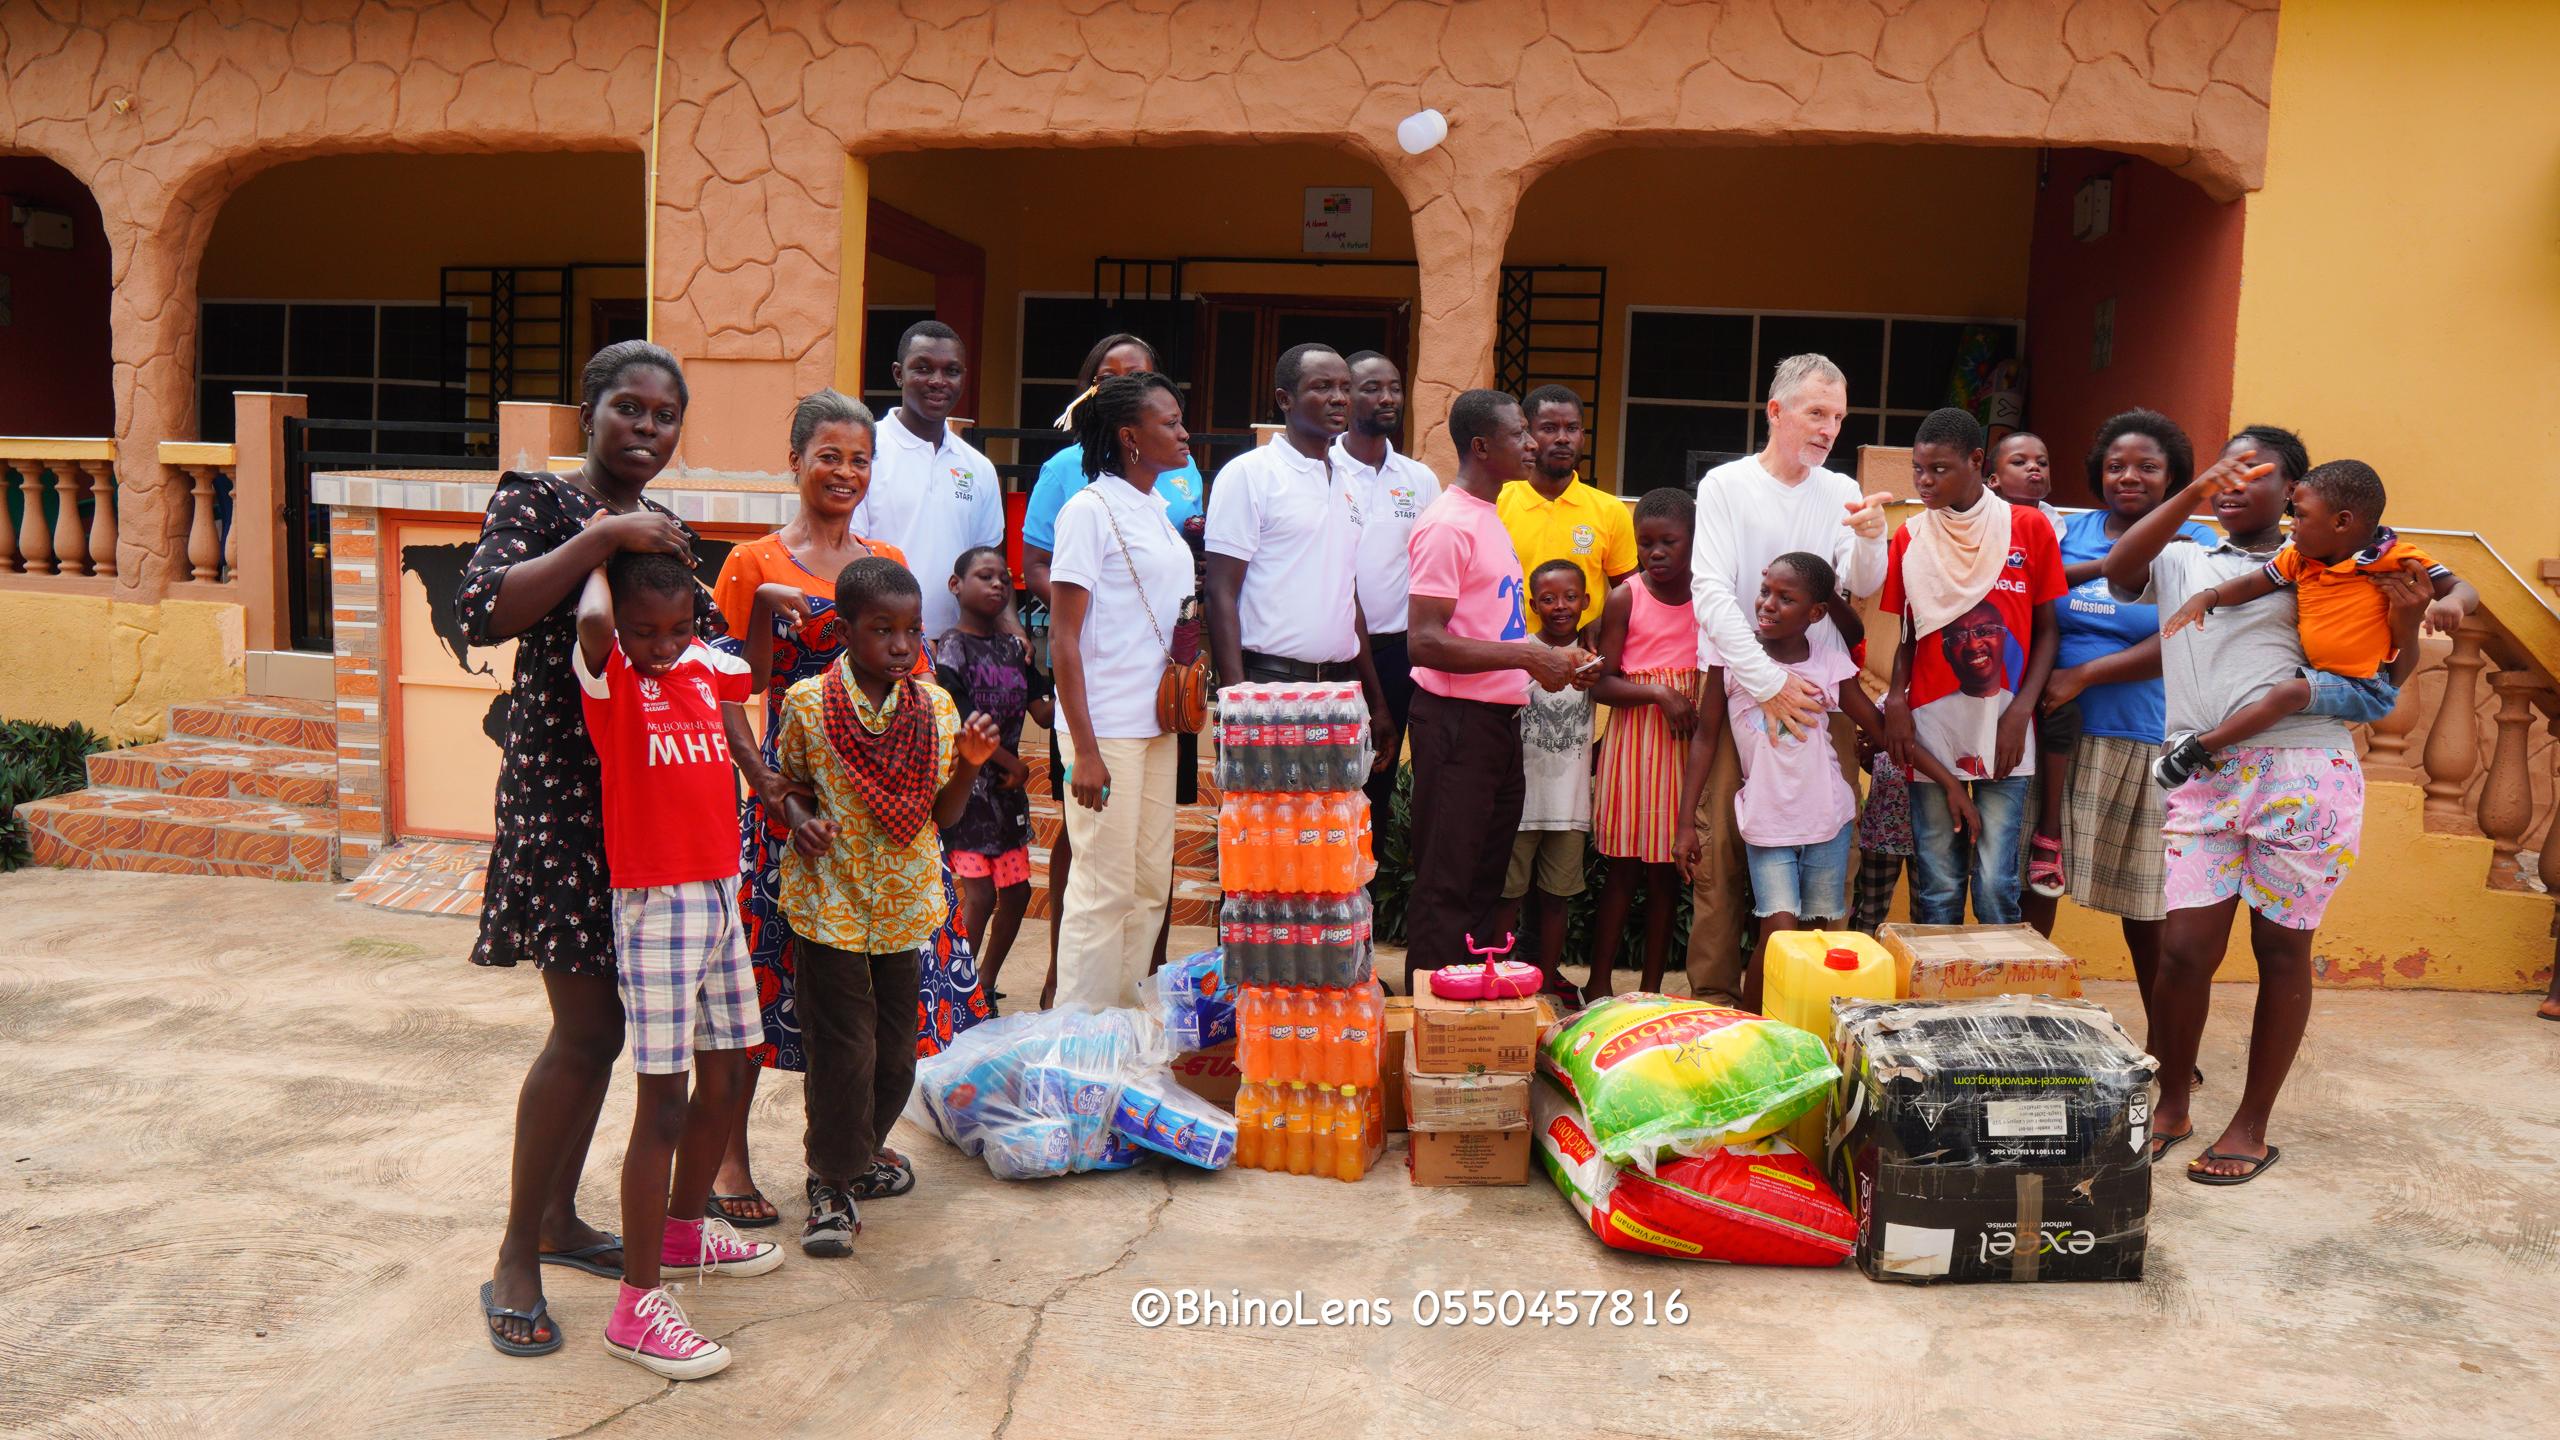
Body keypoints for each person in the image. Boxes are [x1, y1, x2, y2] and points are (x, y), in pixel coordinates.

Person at [461, 340, 711, 1357]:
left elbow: (693, 654)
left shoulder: (668, 531)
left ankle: (559, 1221)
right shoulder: (538, 501)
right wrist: (603, 536)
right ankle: (516, 1252)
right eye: (629, 409)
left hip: (643, 813)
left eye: (665, 415)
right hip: (564, 808)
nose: (647, 428)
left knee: (609, 1034)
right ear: (590, 411)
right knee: (584, 1030)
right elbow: (485, 610)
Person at [2100, 440, 2426, 1185]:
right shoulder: (2184, 556)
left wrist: (2408, 624)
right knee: (2184, 950)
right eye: (2224, 471)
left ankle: (2251, 1125)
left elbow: (2387, 674)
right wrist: (2189, 493)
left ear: (2292, 493)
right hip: (2200, 771)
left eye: (2255, 474)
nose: (2232, 485)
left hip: (2302, 770)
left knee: (2281, 951)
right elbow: (2121, 567)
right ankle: (2172, 1105)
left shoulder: (2323, 565)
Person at [707, 389, 987, 1231]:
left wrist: (941, 766)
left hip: (887, 811)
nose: (844, 472)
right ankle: (730, 1160)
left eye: (860, 459)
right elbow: (729, 690)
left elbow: (917, 679)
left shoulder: (883, 560)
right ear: (794, 461)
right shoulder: (752, 563)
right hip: (795, 802)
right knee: (760, 992)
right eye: (828, 456)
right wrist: (770, 790)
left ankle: (851, 1149)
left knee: (881, 1010)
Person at [570, 551, 781, 1379]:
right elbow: (594, 620)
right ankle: (636, 1307)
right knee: (664, 1102)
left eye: (677, 628)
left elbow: (749, 671)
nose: (662, 646)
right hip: (657, 903)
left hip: (721, 890)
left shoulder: (700, 662)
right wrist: (603, 546)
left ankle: (686, 1234)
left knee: (728, 1075)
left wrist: (763, 602)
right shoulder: (611, 675)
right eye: (645, 631)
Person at [772, 557, 1000, 1253]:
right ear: (845, 632)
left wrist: (969, 764)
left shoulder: (934, 709)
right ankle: (831, 1186)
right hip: (831, 903)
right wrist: (799, 819)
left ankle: (857, 1154)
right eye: (882, 630)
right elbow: (788, 785)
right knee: (844, 1052)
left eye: (911, 630)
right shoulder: (808, 704)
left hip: (904, 907)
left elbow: (944, 816)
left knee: (897, 1056)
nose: (902, 646)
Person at [1684, 353, 1894, 1006]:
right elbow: (1710, 592)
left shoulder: (1839, 491)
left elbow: (1860, 582)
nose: (1829, 429)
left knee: (1829, 854)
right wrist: (1766, 681)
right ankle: (1717, 1004)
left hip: (1818, 696)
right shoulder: (1726, 485)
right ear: (1776, 412)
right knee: (1723, 851)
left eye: (1839, 417)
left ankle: (1819, 1005)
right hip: (1738, 692)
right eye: (1816, 413)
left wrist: (1873, 537)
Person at [1680, 553, 1978, 1008]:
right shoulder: (1731, 658)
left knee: (1815, 938)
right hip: (1767, 822)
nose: (1767, 605)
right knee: (1778, 933)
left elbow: (1883, 733)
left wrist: (1949, 783)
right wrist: (1686, 823)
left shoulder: (1829, 665)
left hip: (1828, 822)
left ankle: (1801, 1028)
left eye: (1786, 598)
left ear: (1816, 613)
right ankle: (1753, 1026)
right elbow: (1704, 739)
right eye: (1765, 592)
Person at [1021, 333, 1203, 1008]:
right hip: (1106, 732)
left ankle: (1124, 1030)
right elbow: (1065, 640)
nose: (1184, 433)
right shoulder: (1087, 512)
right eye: (1170, 423)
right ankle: (1079, 1036)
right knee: (1102, 889)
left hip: (1158, 725)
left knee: (1150, 885)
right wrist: (1085, 752)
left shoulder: (1155, 510)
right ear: (1130, 438)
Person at [1403, 389, 1596, 992]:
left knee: (1485, 880)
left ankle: (1471, 1006)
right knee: (1448, 879)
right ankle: (1430, 1009)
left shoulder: (1489, 515)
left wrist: (1551, 661)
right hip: (1455, 722)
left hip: (1497, 723)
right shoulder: (1447, 524)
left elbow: (1492, 627)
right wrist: (1528, 657)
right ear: (1482, 446)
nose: (1533, 444)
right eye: (1520, 434)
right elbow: (1424, 642)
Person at [2018, 412, 2219, 978]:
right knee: (2034, 890)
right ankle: (2018, 1011)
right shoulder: (2065, 533)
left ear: (2172, 476)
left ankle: (2165, 1027)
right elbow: (2031, 606)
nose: (2129, 477)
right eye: (2115, 466)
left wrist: (2084, 674)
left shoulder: (2198, 542)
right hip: (2051, 736)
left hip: (2139, 738)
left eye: (2147, 467)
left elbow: (2187, 634)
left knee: (2147, 909)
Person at [2158, 459, 2475, 786]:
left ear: (2341, 522)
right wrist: (2208, 597)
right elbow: (2254, 583)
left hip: (2365, 685)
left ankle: (2199, 749)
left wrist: (2452, 603)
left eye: (2300, 515)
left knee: (2287, 694)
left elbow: (2462, 588)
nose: (2292, 526)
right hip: (2322, 675)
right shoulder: (2298, 558)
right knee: (2281, 690)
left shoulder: (2394, 558)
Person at [1880, 407, 2064, 926]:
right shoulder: (1910, 536)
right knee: (1938, 882)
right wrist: (1896, 698)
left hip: (2006, 724)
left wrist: (2020, 712)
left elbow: (2048, 632)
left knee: (1996, 885)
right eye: (1918, 469)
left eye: (1939, 469)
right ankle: (1945, 982)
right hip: (1931, 724)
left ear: (1976, 460)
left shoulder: (2028, 527)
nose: (1924, 481)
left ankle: (1996, 979)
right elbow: (1909, 633)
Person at [1203, 342, 1392, 747]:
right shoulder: (1250, 474)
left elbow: (1349, 594)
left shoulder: (1352, 480)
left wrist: (1376, 703)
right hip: (1268, 686)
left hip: (1340, 691)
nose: (1339, 398)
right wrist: (1237, 701)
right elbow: (1220, 592)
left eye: (1345, 387)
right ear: (1284, 399)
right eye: (1322, 387)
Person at [1586, 489, 1701, 997]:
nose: (1655, 552)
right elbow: (1603, 683)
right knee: (1623, 870)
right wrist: (1658, 693)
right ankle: (1599, 984)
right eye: (1645, 542)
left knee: (1665, 877)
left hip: (1685, 751)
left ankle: (1652, 990)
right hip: (1634, 748)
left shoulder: (1709, 595)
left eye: (1668, 542)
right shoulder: (1626, 596)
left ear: (1693, 540)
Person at [933, 546, 1053, 1015]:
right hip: (968, 791)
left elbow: (1043, 712)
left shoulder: (1016, 649)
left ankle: (984, 983)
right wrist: (1010, 762)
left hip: (1006, 797)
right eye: (985, 576)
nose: (998, 584)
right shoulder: (951, 647)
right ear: (956, 585)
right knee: (979, 895)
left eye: (1004, 577)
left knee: (1018, 892)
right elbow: (959, 714)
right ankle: (955, 991)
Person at [1333, 351, 1434, 840]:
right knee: (1326, 782)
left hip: (1396, 653)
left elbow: (1429, 567)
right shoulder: (1324, 468)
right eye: (1372, 388)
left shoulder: (1419, 479)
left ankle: (1366, 883)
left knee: (1378, 779)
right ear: (1346, 396)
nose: (1388, 397)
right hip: (1333, 654)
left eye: (1394, 387)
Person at [852, 320, 1004, 637]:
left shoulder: (979, 468)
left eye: (951, 371)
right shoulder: (863, 453)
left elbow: (986, 566)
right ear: (898, 374)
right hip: (879, 642)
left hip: (954, 647)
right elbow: (850, 555)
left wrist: (1008, 626)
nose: (938, 381)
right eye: (923, 368)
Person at [1502, 559, 1596, 1000]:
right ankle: (1500, 977)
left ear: (1586, 601)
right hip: (1522, 802)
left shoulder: (1595, 657)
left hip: (1568, 803)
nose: (1560, 606)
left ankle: (1544, 983)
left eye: (1570, 597)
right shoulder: (1521, 652)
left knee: (1557, 898)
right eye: (1548, 598)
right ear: (1532, 604)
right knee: (1508, 896)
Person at [1495, 385, 1636, 634]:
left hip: (1582, 655)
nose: (1563, 438)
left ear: (1582, 436)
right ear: (1527, 436)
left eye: (1571, 428)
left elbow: (1632, 594)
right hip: (1507, 651)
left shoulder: (1610, 510)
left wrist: (1602, 622)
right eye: (1549, 428)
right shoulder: (1495, 504)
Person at [1986, 430, 2064, 530]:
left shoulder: (2055, 522)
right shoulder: (1982, 521)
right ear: (1994, 480)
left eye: (2042, 463)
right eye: (2019, 462)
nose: (2034, 466)